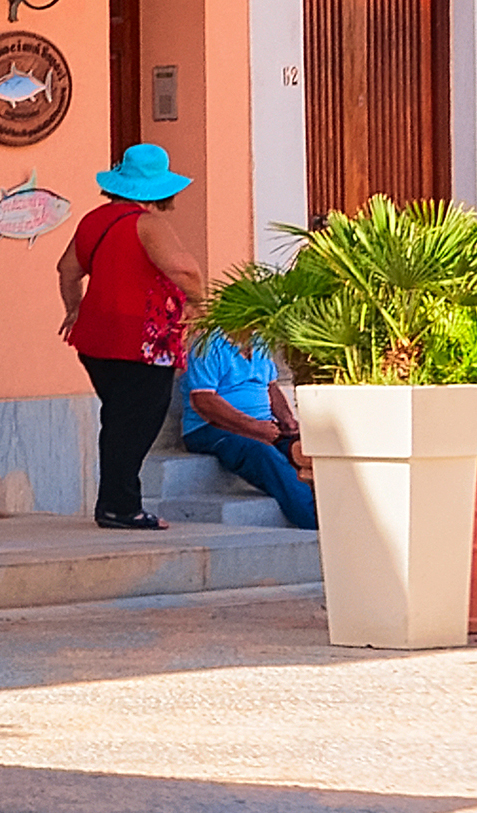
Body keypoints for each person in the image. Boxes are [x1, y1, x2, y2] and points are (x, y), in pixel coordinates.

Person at [60, 143, 202, 530]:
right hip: (142, 338)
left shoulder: (94, 220)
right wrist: (200, 302)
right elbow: (184, 270)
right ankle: (120, 506)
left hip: (96, 339)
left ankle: (117, 503)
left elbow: (67, 270)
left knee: (120, 419)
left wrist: (74, 309)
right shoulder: (149, 224)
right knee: (136, 423)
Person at [178, 314, 320, 529]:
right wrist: (253, 428)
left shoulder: (260, 341)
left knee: (308, 450)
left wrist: (287, 420)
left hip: (263, 427)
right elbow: (203, 400)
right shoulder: (207, 344)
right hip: (211, 428)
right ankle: (314, 522)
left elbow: (271, 386)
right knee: (264, 455)